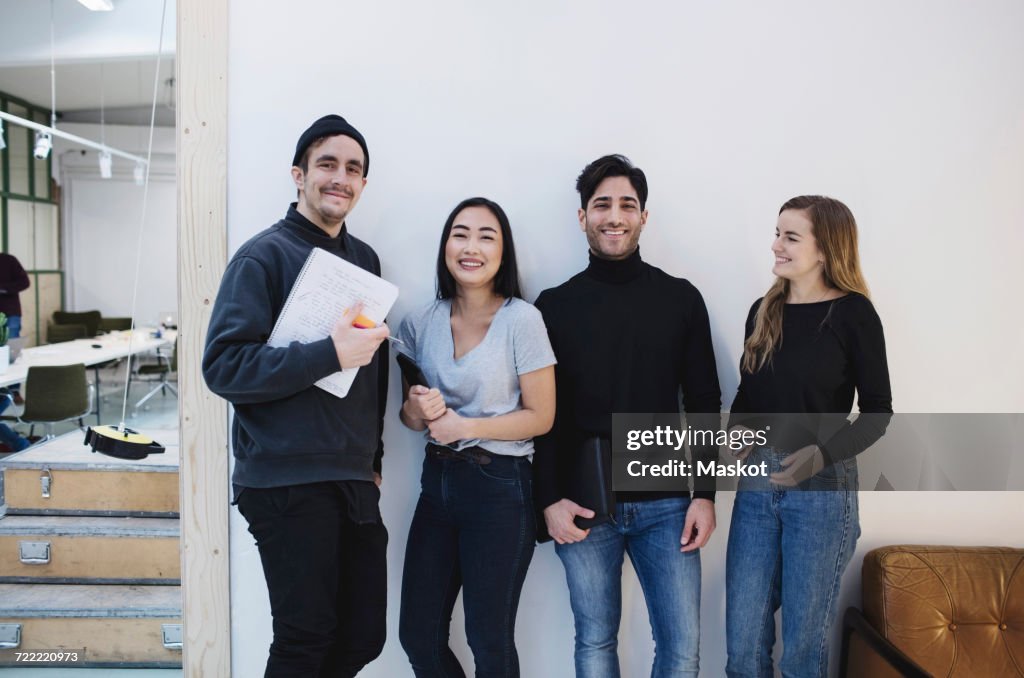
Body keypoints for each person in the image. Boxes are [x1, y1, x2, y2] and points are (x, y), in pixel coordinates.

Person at [202, 115, 390, 677]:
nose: (341, 177)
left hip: (351, 477)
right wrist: (326, 353)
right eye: (327, 165)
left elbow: (369, 375)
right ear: (298, 175)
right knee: (305, 641)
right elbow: (223, 367)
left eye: (353, 169)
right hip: (283, 480)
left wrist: (373, 458)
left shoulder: (366, 261)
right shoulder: (262, 257)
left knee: (362, 638)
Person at [533, 154, 722, 677]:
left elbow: (705, 403)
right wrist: (547, 498)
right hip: (583, 501)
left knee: (681, 650)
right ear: (582, 217)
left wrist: (704, 496)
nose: (614, 216)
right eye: (601, 205)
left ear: (643, 216)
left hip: (666, 502)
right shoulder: (552, 305)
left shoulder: (681, 299)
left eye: (626, 205)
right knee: (594, 643)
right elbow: (541, 415)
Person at [725, 195, 892, 677]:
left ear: (825, 250)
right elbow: (748, 396)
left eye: (790, 236)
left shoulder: (854, 315)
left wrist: (819, 458)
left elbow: (877, 413)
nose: (776, 245)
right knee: (742, 646)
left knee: (802, 649)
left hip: (821, 488)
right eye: (777, 233)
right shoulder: (763, 309)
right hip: (758, 485)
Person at [397, 197, 556, 678]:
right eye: (460, 234)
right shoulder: (420, 321)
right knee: (418, 636)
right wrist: (416, 410)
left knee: (488, 640)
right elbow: (409, 417)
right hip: (437, 486)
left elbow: (542, 416)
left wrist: (466, 426)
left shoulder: (521, 320)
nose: (471, 247)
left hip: (501, 490)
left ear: (503, 252)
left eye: (486, 236)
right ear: (446, 246)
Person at [0, 252, 30, 339]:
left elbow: (25, 282)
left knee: (11, 344)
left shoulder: (9, 260)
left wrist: (3, 288)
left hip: (10, 312)